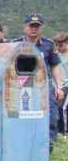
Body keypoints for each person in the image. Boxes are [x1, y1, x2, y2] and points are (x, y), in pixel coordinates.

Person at [13, 13, 63, 149]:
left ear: (41, 28)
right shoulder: (15, 44)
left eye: (37, 26)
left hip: (44, 86)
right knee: (22, 116)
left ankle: (48, 148)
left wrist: (59, 86)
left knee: (51, 116)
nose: (34, 29)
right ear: (25, 27)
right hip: (22, 85)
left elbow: (55, 66)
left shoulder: (48, 45)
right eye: (31, 26)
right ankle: (23, 146)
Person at [54, 32, 68, 134]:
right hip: (57, 86)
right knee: (58, 110)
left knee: (64, 108)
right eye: (56, 45)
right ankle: (61, 133)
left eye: (61, 45)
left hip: (66, 85)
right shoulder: (55, 55)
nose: (58, 47)